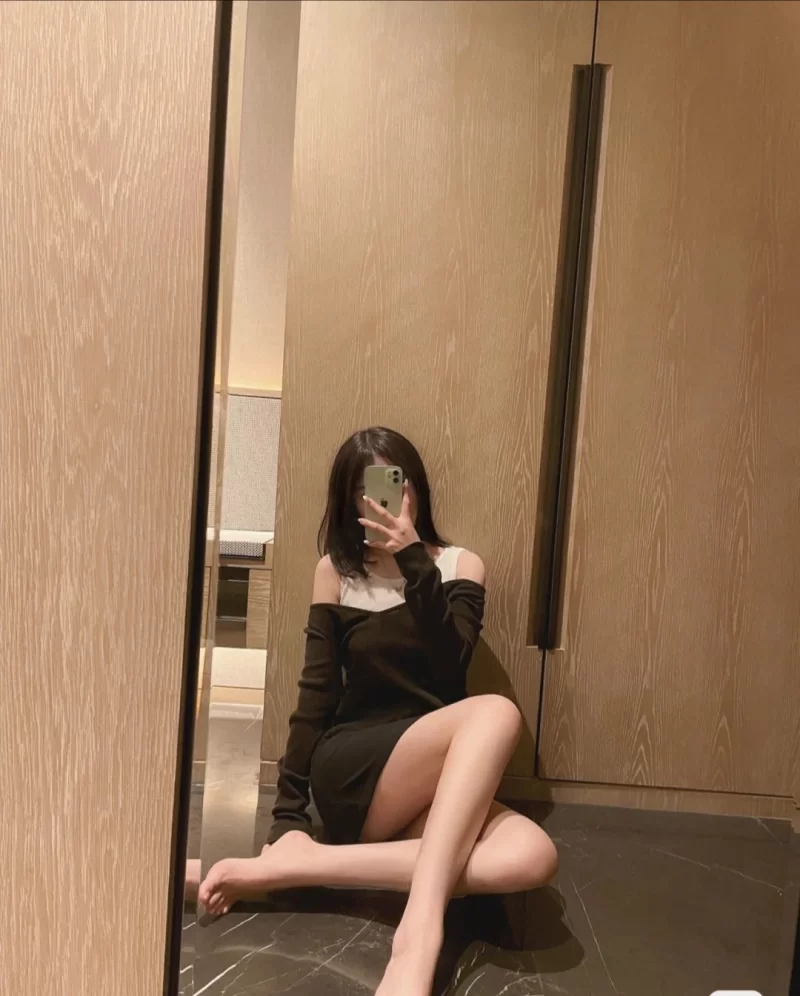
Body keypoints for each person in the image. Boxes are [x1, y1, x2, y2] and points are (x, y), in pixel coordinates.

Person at [199, 427, 558, 996]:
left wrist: (414, 559)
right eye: (365, 491)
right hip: (353, 766)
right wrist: (288, 820)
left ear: (415, 488)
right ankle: (419, 933)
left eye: (395, 483)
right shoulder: (336, 573)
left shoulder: (460, 566)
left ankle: (300, 869)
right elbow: (315, 697)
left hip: (427, 774)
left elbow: (449, 669)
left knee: (532, 856)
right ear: (349, 502)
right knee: (495, 713)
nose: (384, 500)